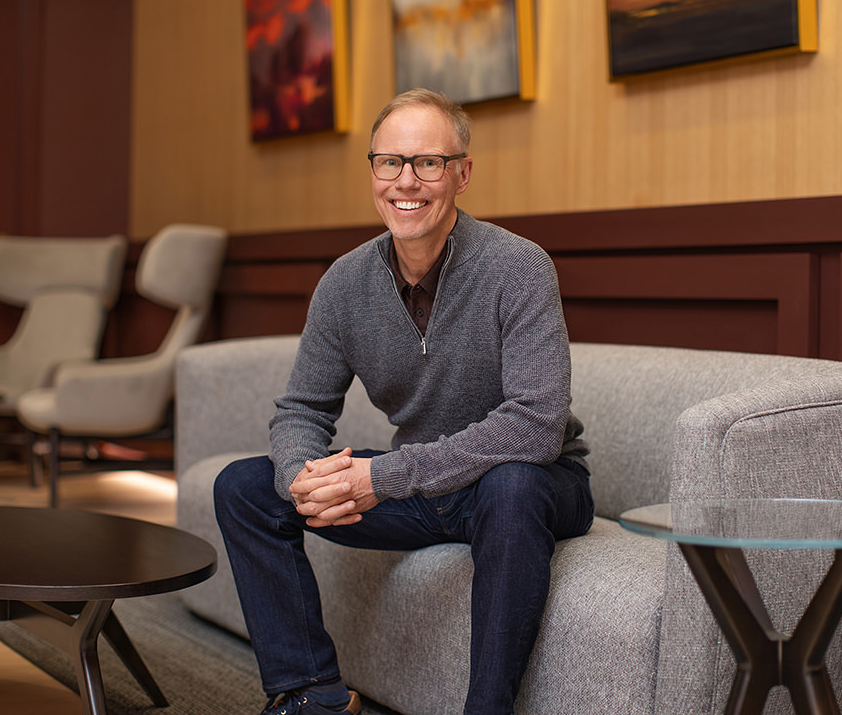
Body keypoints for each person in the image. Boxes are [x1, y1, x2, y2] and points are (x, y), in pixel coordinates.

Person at [214, 88, 593, 715]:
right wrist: (302, 479)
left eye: (428, 163)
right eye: (389, 162)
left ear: (462, 173)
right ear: (373, 172)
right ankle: (311, 694)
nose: (405, 181)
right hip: (424, 490)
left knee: (514, 483)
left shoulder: (519, 267)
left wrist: (383, 477)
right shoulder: (344, 282)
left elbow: (535, 424)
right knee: (244, 486)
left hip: (534, 486)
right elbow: (303, 409)